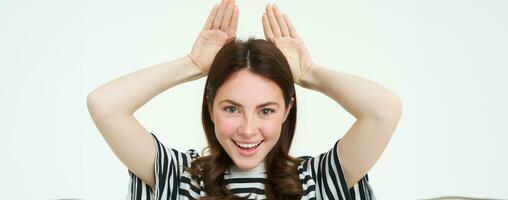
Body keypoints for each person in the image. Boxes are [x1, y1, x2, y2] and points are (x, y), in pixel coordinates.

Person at [86, 0, 403, 199]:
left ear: (286, 110)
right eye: (231, 109)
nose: (248, 130)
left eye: (266, 110)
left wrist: (308, 72)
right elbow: (105, 105)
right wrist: (192, 65)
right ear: (210, 107)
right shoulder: (176, 174)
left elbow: (383, 110)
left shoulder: (320, 179)